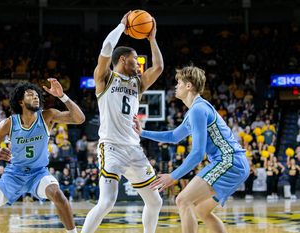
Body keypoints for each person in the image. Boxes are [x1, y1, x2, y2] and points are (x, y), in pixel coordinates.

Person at [133, 65, 249, 233]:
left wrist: (173, 176)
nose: (175, 86)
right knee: (202, 210)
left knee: (182, 200)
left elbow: (197, 153)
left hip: (229, 161)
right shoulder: (195, 110)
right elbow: (174, 136)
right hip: (235, 163)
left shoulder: (198, 110)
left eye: (179, 83)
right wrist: (143, 132)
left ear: (189, 86)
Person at [0, 79, 85, 233]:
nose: (36, 97)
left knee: (58, 195)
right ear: (20, 102)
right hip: (13, 175)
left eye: (37, 95)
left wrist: (63, 97)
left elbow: (80, 119)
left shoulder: (47, 116)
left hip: (38, 173)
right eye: (30, 95)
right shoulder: (8, 124)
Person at [81, 11, 164, 233]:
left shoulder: (138, 83)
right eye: (135, 60)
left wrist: (152, 39)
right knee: (107, 202)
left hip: (133, 148)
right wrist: (121, 25)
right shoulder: (105, 78)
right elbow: (106, 49)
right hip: (111, 147)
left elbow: (159, 68)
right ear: (122, 60)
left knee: (156, 201)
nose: (138, 64)